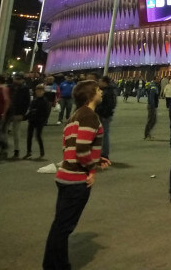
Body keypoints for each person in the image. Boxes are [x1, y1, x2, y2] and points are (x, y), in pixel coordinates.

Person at [42, 80, 111, 270]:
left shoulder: (74, 116)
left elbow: (69, 147)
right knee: (63, 227)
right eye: (98, 90)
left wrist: (97, 160)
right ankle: (55, 266)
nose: (101, 93)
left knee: (60, 225)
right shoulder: (90, 116)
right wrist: (91, 169)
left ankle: (56, 264)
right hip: (76, 180)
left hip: (65, 175)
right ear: (90, 95)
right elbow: (81, 150)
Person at [7, 73, 31, 158]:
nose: (16, 80)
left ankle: (16, 150)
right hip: (8, 112)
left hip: (17, 113)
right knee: (4, 131)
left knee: (16, 132)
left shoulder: (24, 89)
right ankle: (4, 150)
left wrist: (22, 114)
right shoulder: (10, 87)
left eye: (18, 79)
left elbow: (26, 102)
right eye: (15, 78)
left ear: (22, 80)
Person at [24, 84, 52, 159]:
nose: (39, 92)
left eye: (40, 91)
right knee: (29, 136)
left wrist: (43, 120)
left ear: (43, 92)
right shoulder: (34, 100)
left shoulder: (45, 101)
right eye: (37, 91)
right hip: (32, 120)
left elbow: (46, 112)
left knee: (38, 136)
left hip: (39, 121)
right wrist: (26, 117)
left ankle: (41, 152)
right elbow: (30, 110)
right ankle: (28, 152)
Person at [97, 76, 117, 160]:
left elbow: (109, 105)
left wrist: (103, 114)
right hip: (104, 115)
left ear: (105, 82)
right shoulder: (108, 90)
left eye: (100, 81)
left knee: (104, 134)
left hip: (105, 116)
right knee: (103, 134)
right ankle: (102, 153)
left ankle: (104, 154)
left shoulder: (108, 92)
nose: (99, 83)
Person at [144, 75, 161, 140]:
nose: (159, 80)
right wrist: (153, 106)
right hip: (152, 106)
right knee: (151, 120)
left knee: (152, 120)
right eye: (158, 79)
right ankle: (147, 134)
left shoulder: (153, 85)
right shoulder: (153, 86)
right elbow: (151, 97)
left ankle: (147, 133)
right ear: (155, 79)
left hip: (152, 105)